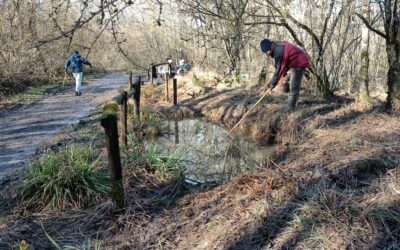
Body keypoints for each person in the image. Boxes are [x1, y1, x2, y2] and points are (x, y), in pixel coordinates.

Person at [260, 39, 309, 111]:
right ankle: (293, 104)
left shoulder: (278, 50)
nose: (267, 53)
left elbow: (279, 69)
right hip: (295, 62)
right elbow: (283, 63)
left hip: (299, 62)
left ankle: (290, 108)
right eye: (266, 52)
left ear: (270, 46)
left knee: (293, 86)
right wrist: (284, 71)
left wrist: (272, 84)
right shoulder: (277, 47)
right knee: (293, 85)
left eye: (267, 51)